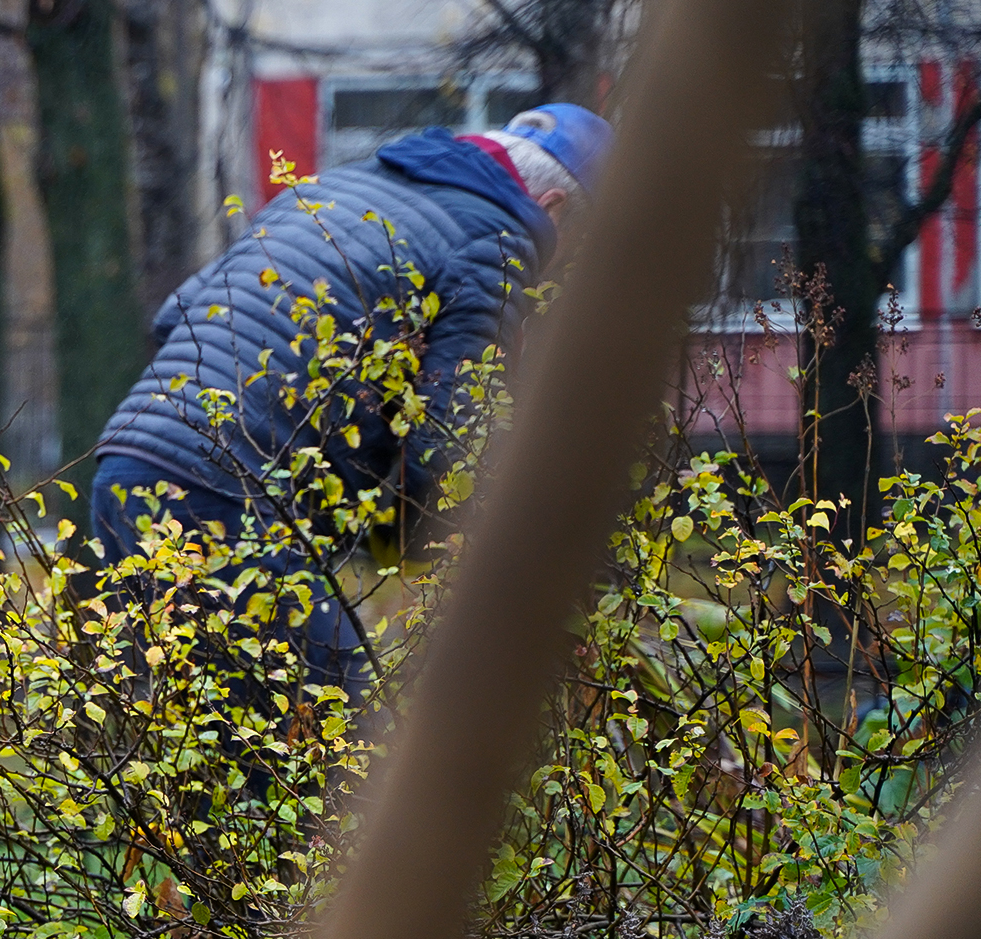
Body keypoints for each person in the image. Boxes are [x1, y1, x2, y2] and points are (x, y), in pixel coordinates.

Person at [88, 104, 614, 696]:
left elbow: (174, 317)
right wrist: (411, 555)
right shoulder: (496, 242)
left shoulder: (334, 186)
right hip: (227, 498)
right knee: (340, 749)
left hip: (128, 468)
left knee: (197, 751)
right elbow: (444, 444)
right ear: (554, 209)